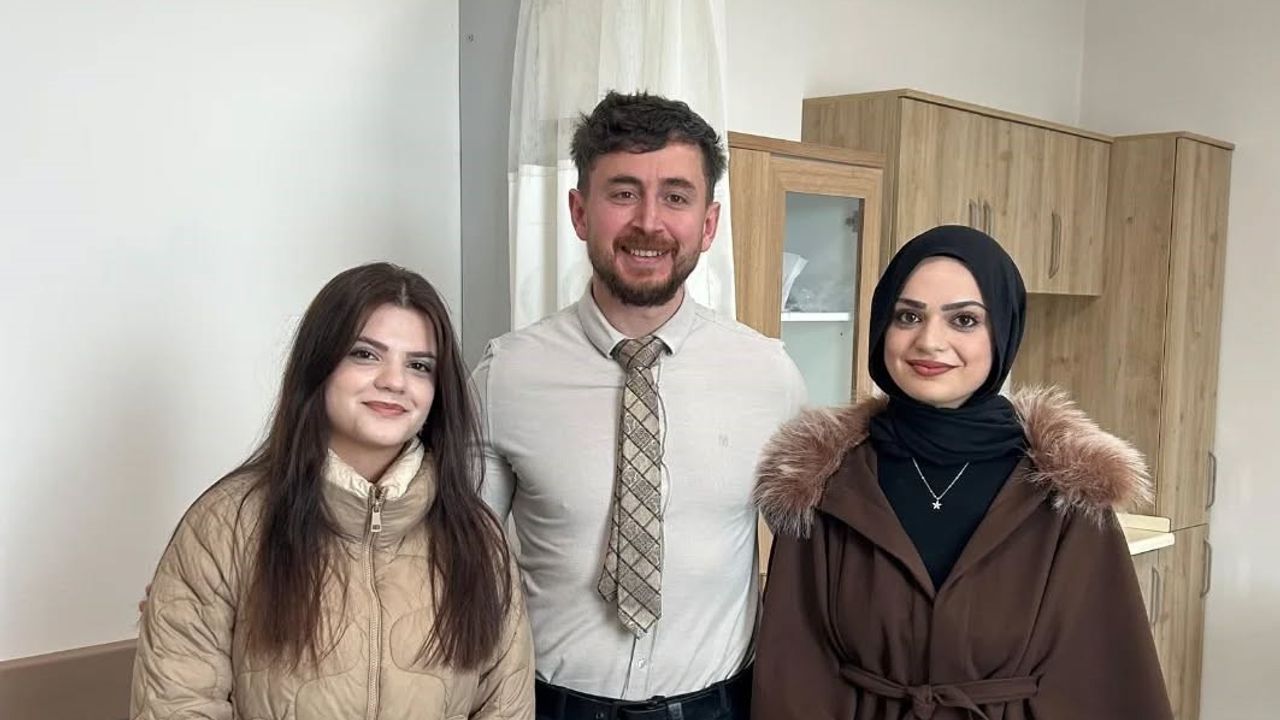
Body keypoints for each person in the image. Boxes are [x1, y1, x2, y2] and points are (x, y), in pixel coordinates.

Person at [473, 91, 806, 720]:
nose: (649, 222)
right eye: (623, 193)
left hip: (720, 707)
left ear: (708, 224)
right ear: (579, 212)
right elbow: (460, 564)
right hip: (549, 705)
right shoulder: (504, 376)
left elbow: (811, 567)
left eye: (676, 197)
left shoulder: (771, 377)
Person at [751, 225, 1173, 719]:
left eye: (964, 320)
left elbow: (1103, 684)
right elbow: (795, 675)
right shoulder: (821, 483)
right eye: (909, 316)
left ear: (1003, 333)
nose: (930, 341)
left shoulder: (1066, 492)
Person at [132, 263, 534, 719]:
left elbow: (506, 707)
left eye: (419, 366)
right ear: (319, 366)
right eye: (365, 354)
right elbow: (178, 704)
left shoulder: (478, 538)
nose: (394, 381)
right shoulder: (224, 527)